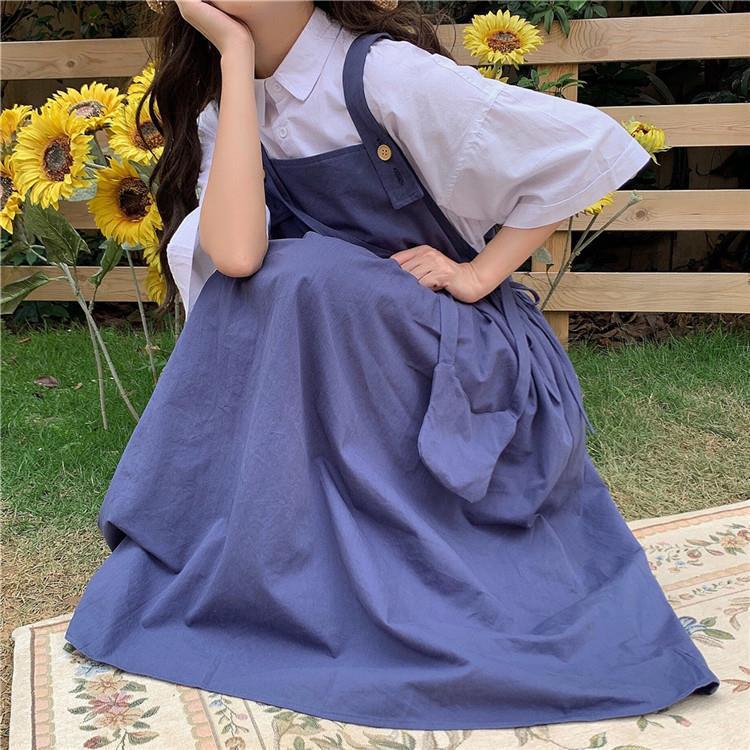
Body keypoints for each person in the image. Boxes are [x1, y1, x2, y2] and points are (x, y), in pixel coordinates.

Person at [63, 0, 720, 731]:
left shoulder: (383, 74)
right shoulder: (234, 104)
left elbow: (584, 144)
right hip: (345, 361)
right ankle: (291, 574)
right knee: (274, 280)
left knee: (303, 273)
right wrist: (235, 58)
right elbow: (238, 254)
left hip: (457, 356)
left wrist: (480, 273)